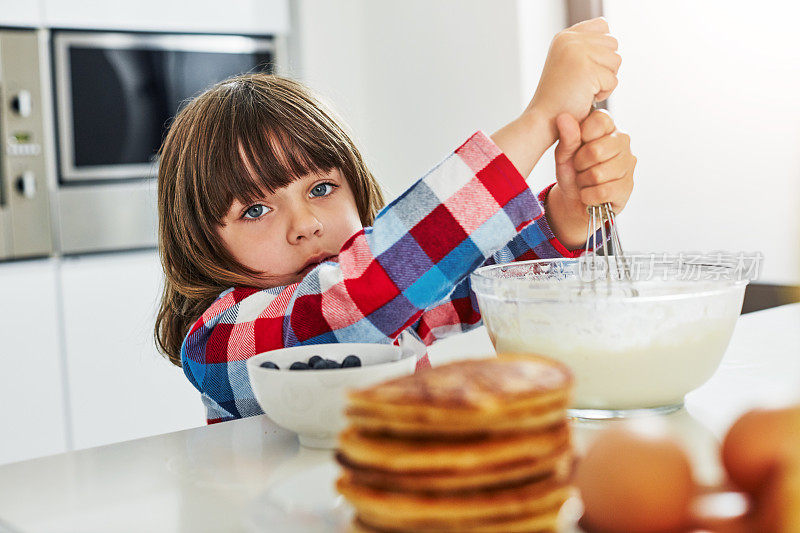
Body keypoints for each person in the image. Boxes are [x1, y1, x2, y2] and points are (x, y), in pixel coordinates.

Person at [155, 17, 636, 423]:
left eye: (321, 189)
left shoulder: (390, 310)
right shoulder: (216, 339)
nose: (304, 224)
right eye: (255, 210)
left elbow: (482, 280)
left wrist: (567, 217)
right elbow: (351, 303)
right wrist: (540, 119)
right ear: (201, 242)